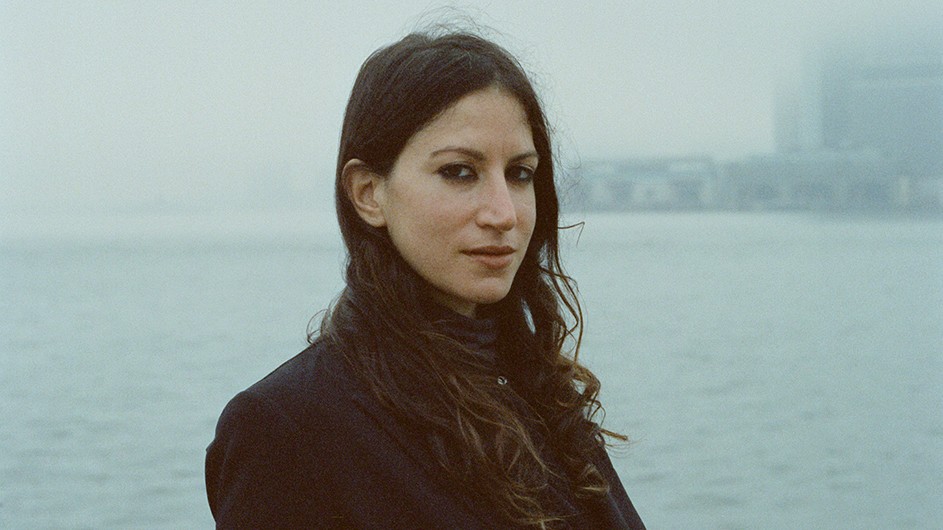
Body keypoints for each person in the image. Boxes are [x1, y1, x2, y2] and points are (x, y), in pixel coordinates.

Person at [205, 29, 645, 529]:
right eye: (459, 172)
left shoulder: (539, 393)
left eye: (520, 174)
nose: (503, 213)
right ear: (369, 193)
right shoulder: (290, 427)